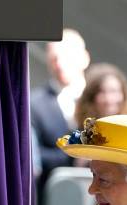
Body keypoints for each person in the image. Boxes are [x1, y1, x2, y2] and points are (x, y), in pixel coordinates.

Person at [31, 29, 90, 193]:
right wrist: (72, 157)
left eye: (67, 56)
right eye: (54, 58)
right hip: (53, 195)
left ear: (85, 58)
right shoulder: (34, 104)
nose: (60, 63)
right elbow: (32, 154)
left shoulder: (103, 97)